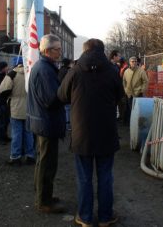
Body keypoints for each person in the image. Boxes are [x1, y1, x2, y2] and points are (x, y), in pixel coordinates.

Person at [58, 39, 123, 227]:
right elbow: (120, 95)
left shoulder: (75, 71)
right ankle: (105, 217)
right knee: (105, 176)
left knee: (84, 178)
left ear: (84, 50)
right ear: (103, 51)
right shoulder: (112, 71)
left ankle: (85, 217)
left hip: (81, 134)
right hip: (106, 133)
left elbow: (61, 95)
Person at [26, 34, 66, 214]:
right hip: (46, 123)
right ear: (47, 51)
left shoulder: (44, 67)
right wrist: (65, 93)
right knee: (47, 163)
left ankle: (43, 195)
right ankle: (43, 201)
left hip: (42, 122)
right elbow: (50, 99)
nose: (60, 52)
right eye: (57, 49)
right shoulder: (44, 70)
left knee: (43, 161)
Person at [0, 56, 35, 166]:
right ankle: (30, 156)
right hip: (30, 108)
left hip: (16, 108)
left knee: (16, 133)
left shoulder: (12, 74)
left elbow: (3, 90)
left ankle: (16, 157)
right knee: (29, 133)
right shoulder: (31, 73)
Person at [123, 56, 148, 124]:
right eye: (132, 61)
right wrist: (126, 90)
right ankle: (132, 124)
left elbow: (145, 81)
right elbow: (124, 81)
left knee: (138, 111)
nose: (134, 63)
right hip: (129, 94)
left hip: (138, 93)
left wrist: (142, 90)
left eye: (135, 61)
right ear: (129, 62)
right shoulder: (126, 71)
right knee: (131, 110)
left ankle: (138, 124)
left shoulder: (141, 71)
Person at [58, 57, 73, 131]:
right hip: (67, 92)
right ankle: (68, 125)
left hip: (60, 91)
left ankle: (64, 124)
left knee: (64, 109)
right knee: (68, 109)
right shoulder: (68, 71)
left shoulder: (60, 70)